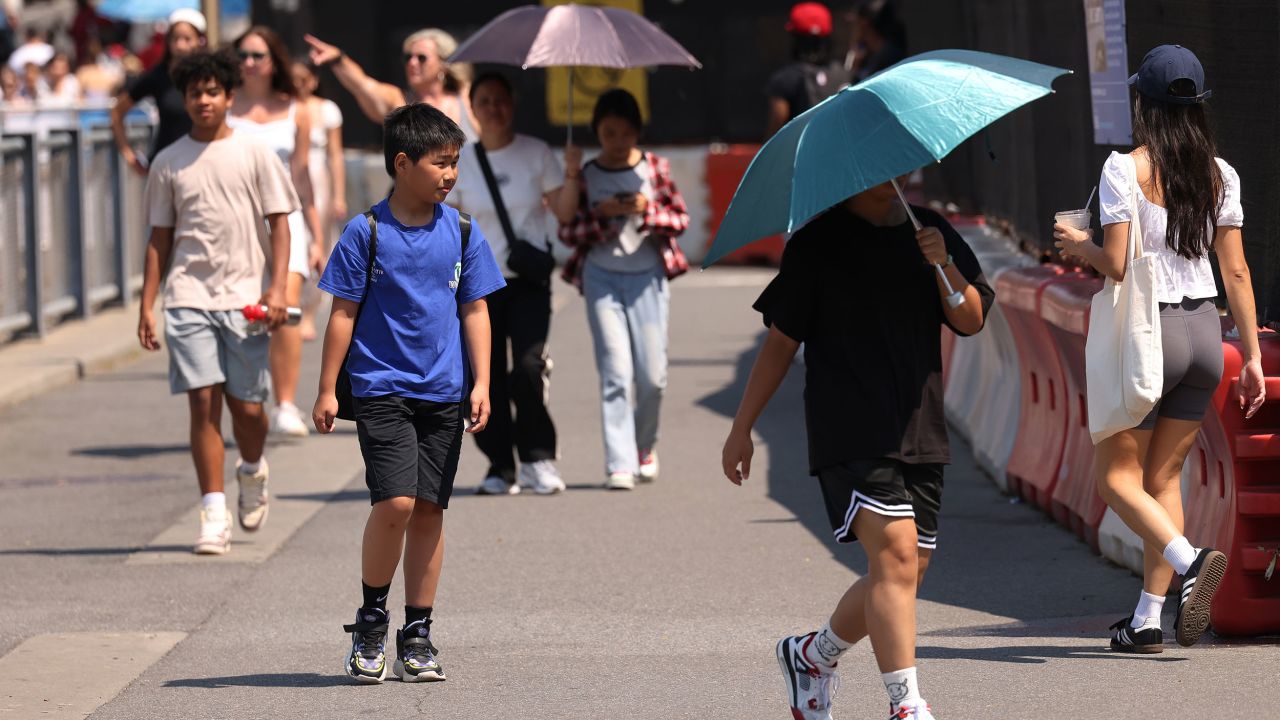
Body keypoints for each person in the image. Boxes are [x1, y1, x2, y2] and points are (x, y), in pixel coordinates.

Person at [721, 179, 994, 720]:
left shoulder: (930, 231)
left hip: (920, 426)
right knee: (893, 555)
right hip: (848, 427)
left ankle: (812, 657)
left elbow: (971, 319)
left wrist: (946, 266)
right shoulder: (817, 244)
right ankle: (907, 706)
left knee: (905, 571)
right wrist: (741, 426)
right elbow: (780, 342)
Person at [1053, 44, 1265, 652]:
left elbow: (1116, 265)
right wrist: (1248, 355)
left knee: (1116, 479)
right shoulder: (1222, 174)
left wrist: (1077, 244)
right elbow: (1239, 272)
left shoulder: (1124, 169)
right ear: (1197, 105)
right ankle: (1147, 617)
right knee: (1164, 476)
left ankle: (1189, 559)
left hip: (1150, 335)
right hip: (1205, 335)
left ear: (1141, 101)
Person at [311, 103, 505, 684]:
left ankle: (417, 634)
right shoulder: (365, 232)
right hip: (381, 389)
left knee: (428, 511)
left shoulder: (464, 230)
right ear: (402, 163)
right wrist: (326, 388)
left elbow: (476, 308)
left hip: (444, 392)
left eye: (454, 164)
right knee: (394, 503)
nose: (449, 175)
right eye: (439, 163)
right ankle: (371, 621)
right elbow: (342, 313)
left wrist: (483, 382)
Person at [137, 50, 299, 556]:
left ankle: (251, 469)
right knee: (202, 403)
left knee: (248, 409)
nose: (203, 100)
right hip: (187, 297)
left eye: (212, 92)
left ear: (229, 96)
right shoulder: (168, 161)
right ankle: (212, 512)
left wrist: (277, 288)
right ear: (183, 100)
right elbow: (159, 238)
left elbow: (279, 222)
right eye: (194, 93)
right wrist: (148, 304)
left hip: (245, 298)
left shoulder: (254, 152)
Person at [558, 89, 690, 491]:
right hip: (601, 277)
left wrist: (645, 210)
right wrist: (602, 215)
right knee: (616, 370)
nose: (617, 142)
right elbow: (568, 229)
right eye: (609, 132)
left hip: (648, 276)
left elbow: (680, 218)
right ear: (597, 131)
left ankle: (643, 446)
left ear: (638, 132)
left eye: (626, 133)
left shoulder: (655, 168)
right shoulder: (587, 175)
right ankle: (619, 462)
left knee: (654, 376)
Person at [446, 72, 569, 496]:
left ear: (512, 105)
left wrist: (570, 172)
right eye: (485, 101)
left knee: (530, 368)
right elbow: (448, 222)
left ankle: (538, 458)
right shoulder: (461, 162)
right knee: (486, 376)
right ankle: (500, 465)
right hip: (479, 285)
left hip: (528, 279)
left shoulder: (537, 153)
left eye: (501, 100)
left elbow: (567, 212)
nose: (494, 108)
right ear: (473, 110)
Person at [228, 26, 326, 437]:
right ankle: (250, 396)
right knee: (246, 310)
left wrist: (318, 234)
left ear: (274, 62)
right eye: (243, 55)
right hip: (238, 221)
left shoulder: (296, 110)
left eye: (257, 55)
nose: (249, 63)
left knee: (285, 306)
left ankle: (285, 403)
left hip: (288, 219)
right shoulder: (226, 107)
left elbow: (302, 176)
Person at [302, 28, 477, 140]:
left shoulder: (466, 97)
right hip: (416, 198)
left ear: (444, 63)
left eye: (421, 58)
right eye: (408, 57)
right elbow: (363, 85)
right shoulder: (399, 101)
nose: (412, 63)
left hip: (469, 196)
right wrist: (339, 59)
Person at [110, 10, 207, 175]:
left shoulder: (211, 77)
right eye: (175, 39)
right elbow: (117, 112)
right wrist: (129, 156)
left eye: (187, 39)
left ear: (200, 41)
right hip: (166, 170)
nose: (180, 45)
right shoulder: (158, 76)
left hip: (204, 166)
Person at [291, 59, 346, 341]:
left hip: (318, 178)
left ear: (313, 80)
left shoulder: (327, 109)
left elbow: (335, 154)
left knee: (318, 244)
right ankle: (292, 302)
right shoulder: (283, 108)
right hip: (290, 176)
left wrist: (339, 194)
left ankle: (310, 311)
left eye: (304, 79)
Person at [766, 3, 849, 137]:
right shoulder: (845, 74)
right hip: (840, 152)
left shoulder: (784, 78)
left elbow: (778, 120)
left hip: (802, 154)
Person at [844, 0, 908, 83]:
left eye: (854, 23)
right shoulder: (867, 54)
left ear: (864, 23)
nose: (851, 29)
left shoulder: (888, 58)